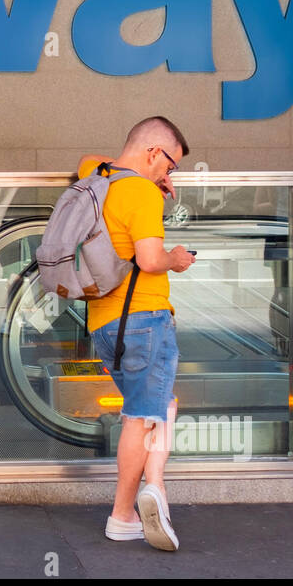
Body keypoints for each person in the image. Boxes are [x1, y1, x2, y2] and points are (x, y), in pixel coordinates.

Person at [77, 116, 195, 551]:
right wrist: (177, 258)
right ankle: (124, 514)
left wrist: (149, 173)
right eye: (170, 164)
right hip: (145, 319)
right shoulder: (141, 192)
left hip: (103, 323)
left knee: (161, 403)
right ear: (151, 152)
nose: (169, 175)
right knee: (142, 416)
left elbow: (89, 157)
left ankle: (156, 484)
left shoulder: (99, 178)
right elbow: (149, 259)